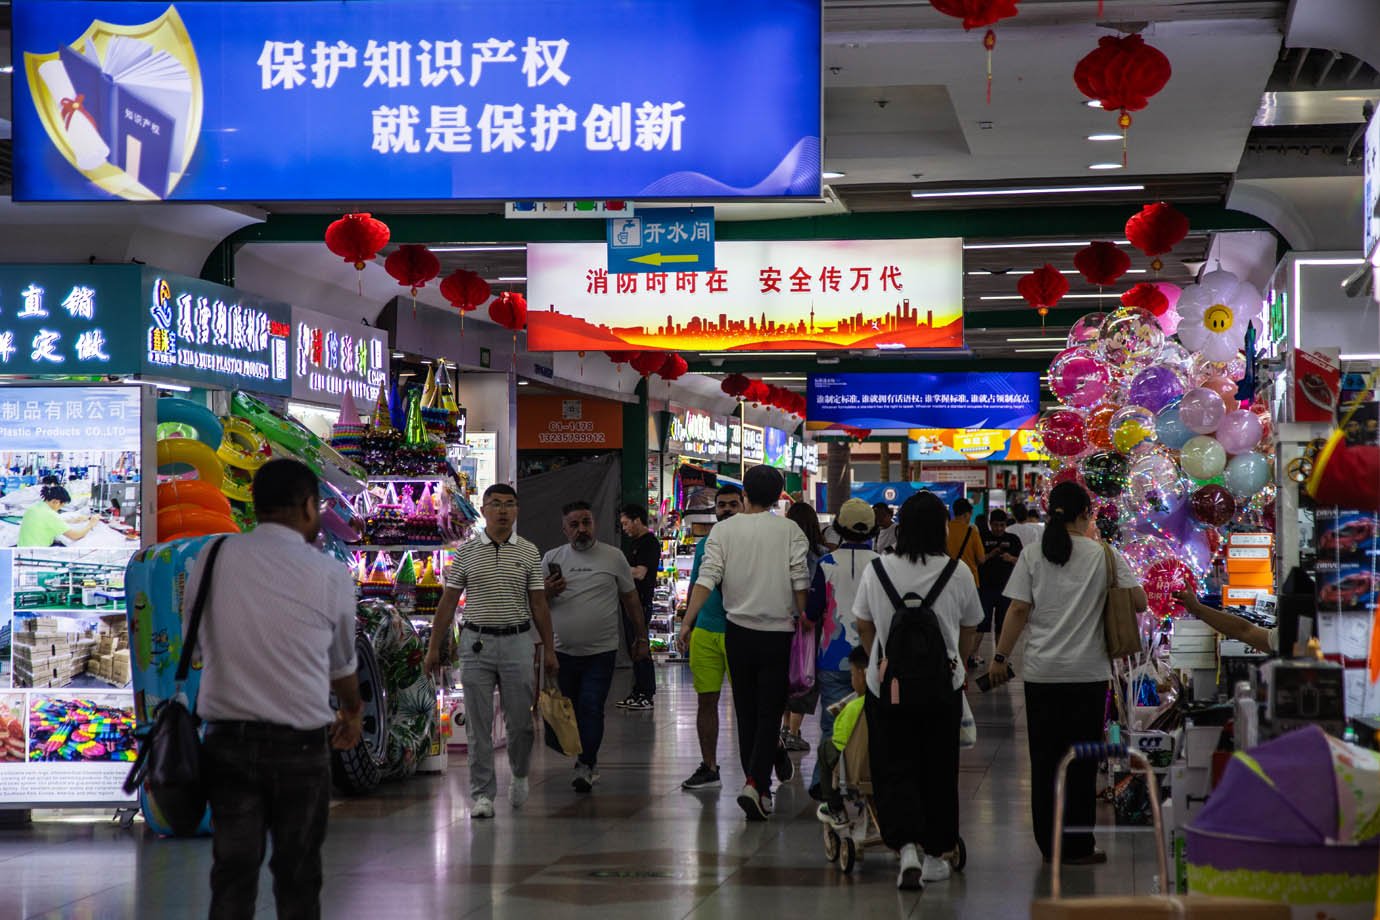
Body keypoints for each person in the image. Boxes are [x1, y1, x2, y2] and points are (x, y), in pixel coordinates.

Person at [189, 458, 363, 919]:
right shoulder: (328, 574)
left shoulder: (211, 556)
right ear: (309, 506)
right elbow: (341, 662)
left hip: (226, 741)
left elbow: (196, 643)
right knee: (298, 871)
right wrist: (353, 710)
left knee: (232, 869)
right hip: (300, 748)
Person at [988, 481, 1148, 865]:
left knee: (1044, 763)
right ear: (1085, 515)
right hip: (1088, 677)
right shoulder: (1104, 555)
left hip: (1041, 675)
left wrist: (1000, 656)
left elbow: (1018, 611)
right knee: (1081, 763)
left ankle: (1049, 845)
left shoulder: (1031, 556)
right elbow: (1139, 601)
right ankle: (1078, 845)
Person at [854, 491, 983, 891]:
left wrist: (882, 658)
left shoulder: (877, 570)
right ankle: (933, 855)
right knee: (938, 769)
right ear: (941, 529)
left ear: (901, 528)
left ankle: (905, 849)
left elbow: (863, 624)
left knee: (893, 766)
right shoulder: (957, 572)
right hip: (940, 690)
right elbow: (970, 627)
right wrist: (956, 665)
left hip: (886, 687)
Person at [424, 483, 557, 820]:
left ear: (516, 511)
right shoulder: (466, 553)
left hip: (517, 642)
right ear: (483, 511)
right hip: (476, 644)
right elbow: (449, 602)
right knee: (478, 725)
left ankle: (520, 773)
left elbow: (539, 605)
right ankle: (482, 794)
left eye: (509, 504)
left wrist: (550, 649)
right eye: (495, 504)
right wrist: (434, 647)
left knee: (521, 723)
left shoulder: (528, 551)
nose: (502, 510)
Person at [686, 464, 808, 821]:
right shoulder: (790, 531)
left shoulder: (723, 532)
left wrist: (687, 620)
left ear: (745, 495)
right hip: (779, 633)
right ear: (778, 495)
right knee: (770, 708)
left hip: (737, 632)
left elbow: (706, 579)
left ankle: (756, 783)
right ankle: (757, 783)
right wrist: (805, 621)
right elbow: (799, 579)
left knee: (746, 709)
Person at [543, 501, 648, 793]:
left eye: (586, 522)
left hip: (601, 651)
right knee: (573, 709)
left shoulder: (613, 558)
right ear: (565, 530)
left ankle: (586, 764)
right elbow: (538, 605)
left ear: (595, 524)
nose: (581, 529)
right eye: (574, 525)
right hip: (564, 652)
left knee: (591, 705)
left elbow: (631, 601)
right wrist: (548, 592)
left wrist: (641, 639)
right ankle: (585, 757)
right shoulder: (553, 558)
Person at [806, 497, 878, 797]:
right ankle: (861, 779)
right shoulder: (882, 566)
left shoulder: (825, 565)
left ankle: (824, 781)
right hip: (871, 657)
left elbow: (811, 615)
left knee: (831, 725)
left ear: (838, 528)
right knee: (869, 723)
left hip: (832, 659)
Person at [676, 484, 745, 791]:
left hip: (741, 630)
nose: (726, 509)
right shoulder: (705, 544)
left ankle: (764, 758)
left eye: (733, 504)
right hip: (706, 628)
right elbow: (695, 585)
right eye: (722, 505)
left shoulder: (749, 540)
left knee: (747, 704)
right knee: (707, 701)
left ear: (743, 506)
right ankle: (709, 766)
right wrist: (687, 623)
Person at [782, 501, 828, 753]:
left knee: (787, 675)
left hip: (781, 620)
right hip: (811, 623)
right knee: (805, 675)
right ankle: (793, 732)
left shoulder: (780, 552)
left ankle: (785, 727)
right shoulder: (822, 554)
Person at [813, 646, 872, 828]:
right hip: (881, 764)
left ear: (863, 675)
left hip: (855, 767)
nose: (852, 680)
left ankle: (834, 807)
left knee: (825, 750)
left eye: (853, 675)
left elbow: (840, 741)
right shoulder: (882, 702)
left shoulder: (854, 707)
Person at [617, 503, 661, 710]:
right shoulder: (634, 543)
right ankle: (637, 691)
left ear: (637, 520)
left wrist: (616, 568)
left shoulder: (649, 543)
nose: (624, 528)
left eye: (626, 523)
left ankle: (647, 693)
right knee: (633, 648)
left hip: (640, 604)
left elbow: (640, 573)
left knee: (641, 647)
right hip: (629, 603)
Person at [975, 508, 1024, 668]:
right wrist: (991, 554)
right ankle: (973, 654)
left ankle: (1001, 657)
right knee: (981, 624)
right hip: (985, 588)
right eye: (995, 525)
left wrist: (1011, 558)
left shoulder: (1013, 539)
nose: (998, 529)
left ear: (1006, 525)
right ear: (990, 524)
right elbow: (978, 560)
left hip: (1006, 589)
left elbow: (1023, 561)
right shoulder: (982, 538)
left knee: (1002, 625)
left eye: (1001, 525)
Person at [1175, 590, 1276, 654]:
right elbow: (1245, 631)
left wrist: (1197, 609)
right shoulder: (1282, 638)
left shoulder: (1284, 638)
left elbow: (1245, 631)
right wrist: (1197, 609)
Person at [17, 485, 97, 547]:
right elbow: (75, 536)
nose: (60, 508)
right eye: (61, 505)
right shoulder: (50, 514)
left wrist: (79, 519)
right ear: (56, 502)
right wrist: (91, 524)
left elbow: (47, 522)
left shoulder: (35, 507)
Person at [947, 498, 986, 586]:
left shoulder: (945, 530)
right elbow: (981, 559)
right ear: (965, 514)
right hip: (970, 580)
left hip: (949, 580)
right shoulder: (972, 532)